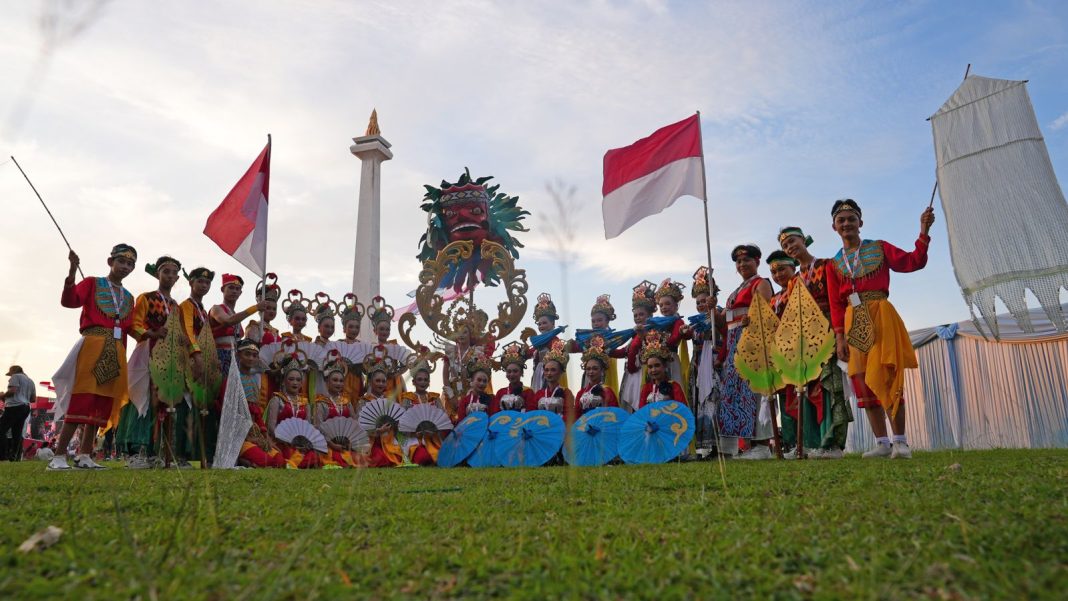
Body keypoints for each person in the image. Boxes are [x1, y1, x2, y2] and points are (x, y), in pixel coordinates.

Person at [826, 200, 934, 459]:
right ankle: (882, 443)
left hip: (881, 312)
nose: (846, 224)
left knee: (887, 374)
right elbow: (835, 304)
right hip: (853, 319)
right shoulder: (833, 264)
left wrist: (923, 231)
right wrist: (839, 337)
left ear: (860, 223)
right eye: (841, 220)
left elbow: (913, 262)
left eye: (851, 218)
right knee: (862, 381)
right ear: (834, 227)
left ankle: (901, 442)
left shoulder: (880, 247)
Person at [49, 245, 137, 470]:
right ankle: (59, 456)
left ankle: (85, 455)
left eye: (130, 264)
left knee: (101, 404)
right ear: (110, 262)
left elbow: (128, 328)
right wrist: (72, 270)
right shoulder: (91, 283)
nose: (125, 267)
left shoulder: (128, 297)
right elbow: (69, 301)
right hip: (93, 345)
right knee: (83, 399)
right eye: (121, 262)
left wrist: (149, 336)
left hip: (116, 350)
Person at [779, 226, 855, 459]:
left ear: (804, 240)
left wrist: (839, 333)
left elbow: (836, 300)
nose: (790, 247)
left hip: (828, 330)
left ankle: (831, 443)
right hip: (804, 338)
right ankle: (811, 444)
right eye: (785, 245)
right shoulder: (793, 281)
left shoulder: (826, 265)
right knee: (806, 389)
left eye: (792, 241)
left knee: (828, 386)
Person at [119, 255, 181, 469]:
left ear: (177, 278)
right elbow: (134, 324)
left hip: (169, 357)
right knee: (143, 398)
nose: (170, 276)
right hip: (148, 352)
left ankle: (158, 452)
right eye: (166, 271)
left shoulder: (175, 306)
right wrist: (150, 333)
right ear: (158, 274)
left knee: (163, 400)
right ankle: (137, 451)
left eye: (174, 273)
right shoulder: (146, 298)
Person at [718, 244, 775, 460]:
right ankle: (746, 445)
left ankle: (762, 444)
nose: (742, 264)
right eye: (739, 262)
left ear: (757, 262)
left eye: (747, 260)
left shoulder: (761, 284)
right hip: (733, 344)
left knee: (756, 390)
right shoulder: (734, 292)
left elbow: (764, 312)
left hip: (753, 343)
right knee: (737, 395)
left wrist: (750, 322)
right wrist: (714, 311)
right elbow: (723, 324)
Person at [179, 267, 222, 468]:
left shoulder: (202, 309)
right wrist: (196, 355)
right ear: (191, 283)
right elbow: (188, 331)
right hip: (190, 360)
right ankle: (179, 454)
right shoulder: (186, 306)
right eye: (200, 282)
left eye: (207, 284)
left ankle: (197, 454)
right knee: (183, 406)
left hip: (203, 362)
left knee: (200, 408)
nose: (204, 286)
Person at [234, 339, 285, 468]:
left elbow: (256, 413)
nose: (251, 358)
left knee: (279, 460)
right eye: (247, 354)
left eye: (254, 355)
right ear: (238, 355)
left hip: (255, 434)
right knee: (268, 461)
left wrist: (264, 436)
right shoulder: (232, 380)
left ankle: (249, 462)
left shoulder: (253, 381)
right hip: (240, 437)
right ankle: (243, 459)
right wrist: (247, 436)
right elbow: (229, 415)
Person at [689, 266, 722, 458]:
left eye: (704, 301)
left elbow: (723, 333)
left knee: (715, 400)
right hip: (699, 364)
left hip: (714, 362)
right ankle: (704, 446)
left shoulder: (718, 314)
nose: (701, 305)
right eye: (698, 302)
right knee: (700, 402)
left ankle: (719, 445)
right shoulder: (694, 322)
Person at [266, 351, 320, 468]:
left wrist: (304, 441)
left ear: (301, 383)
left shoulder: (305, 403)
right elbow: (271, 426)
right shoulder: (277, 399)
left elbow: (308, 427)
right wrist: (286, 439)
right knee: (278, 459)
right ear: (284, 381)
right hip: (280, 442)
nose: (295, 382)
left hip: (298, 445)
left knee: (315, 457)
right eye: (291, 379)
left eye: (298, 380)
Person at [210, 274, 266, 381]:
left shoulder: (236, 315)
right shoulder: (216, 309)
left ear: (241, 293)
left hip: (235, 359)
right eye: (231, 287)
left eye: (237, 289)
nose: (234, 291)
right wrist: (255, 308)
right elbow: (228, 321)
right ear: (222, 289)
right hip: (218, 357)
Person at [312, 350, 363, 468]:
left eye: (341, 381)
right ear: (327, 382)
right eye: (335, 380)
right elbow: (318, 427)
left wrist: (350, 439)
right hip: (328, 445)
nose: (338, 383)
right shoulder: (321, 403)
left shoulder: (346, 402)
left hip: (345, 444)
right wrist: (332, 444)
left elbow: (354, 422)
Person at [612, 281, 657, 411]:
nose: (638, 318)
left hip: (645, 372)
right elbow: (625, 352)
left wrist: (642, 337)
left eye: (641, 314)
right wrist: (607, 349)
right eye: (635, 315)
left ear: (650, 315)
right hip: (632, 376)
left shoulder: (654, 331)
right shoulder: (634, 334)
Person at [570, 295, 621, 395]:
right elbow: (578, 347)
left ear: (607, 321)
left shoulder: (611, 338)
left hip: (607, 372)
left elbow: (616, 353)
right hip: (590, 372)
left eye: (599, 320)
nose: (596, 323)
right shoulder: (587, 338)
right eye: (593, 321)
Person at [361, 351, 404, 467]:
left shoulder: (390, 401)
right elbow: (359, 427)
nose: (381, 384)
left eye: (383, 381)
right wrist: (377, 431)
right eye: (377, 381)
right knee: (380, 460)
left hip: (388, 440)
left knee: (394, 458)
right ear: (370, 382)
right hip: (371, 442)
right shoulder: (364, 401)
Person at [653, 278, 693, 403]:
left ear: (676, 305)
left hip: (671, 360)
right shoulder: (656, 323)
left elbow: (672, 340)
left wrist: (681, 332)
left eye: (667, 304)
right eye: (661, 305)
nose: (664, 307)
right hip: (657, 362)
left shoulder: (678, 322)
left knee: (673, 390)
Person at [368, 296, 409, 400]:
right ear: (375, 330)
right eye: (381, 329)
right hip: (376, 383)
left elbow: (406, 362)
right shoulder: (370, 348)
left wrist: (396, 373)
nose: (384, 332)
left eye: (387, 329)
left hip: (393, 383)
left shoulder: (394, 346)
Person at [529, 293, 568, 390]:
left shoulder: (555, 341)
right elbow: (531, 352)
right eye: (539, 324)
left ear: (553, 324)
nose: (541, 326)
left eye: (544, 323)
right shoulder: (538, 341)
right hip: (538, 372)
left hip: (551, 372)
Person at [532, 340, 577, 422]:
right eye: (546, 370)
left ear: (560, 372)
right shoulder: (539, 394)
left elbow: (569, 416)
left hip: (560, 431)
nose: (549, 373)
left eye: (553, 370)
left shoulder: (566, 393)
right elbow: (532, 415)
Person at [638, 331, 687, 408]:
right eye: (650, 367)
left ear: (665, 366)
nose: (653, 370)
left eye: (657, 365)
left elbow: (683, 411)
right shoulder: (646, 388)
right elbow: (641, 413)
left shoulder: (674, 386)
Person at [575, 336, 620, 413]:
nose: (591, 372)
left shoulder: (607, 391)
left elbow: (614, 414)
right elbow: (576, 416)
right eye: (588, 369)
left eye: (595, 368)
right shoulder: (580, 393)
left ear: (602, 370)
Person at [336, 293, 367, 401]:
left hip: (357, 381)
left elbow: (366, 369)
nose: (354, 330)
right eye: (351, 327)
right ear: (344, 328)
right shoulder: (338, 344)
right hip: (341, 381)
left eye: (357, 327)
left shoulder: (362, 346)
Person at [2, 366, 36, 461]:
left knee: (1, 430)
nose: (10, 378)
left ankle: (2, 455)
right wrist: (23, 396)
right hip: (25, 408)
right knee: (17, 433)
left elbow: (12, 391)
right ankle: (13, 455)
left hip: (14, 407)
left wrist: (2, 395)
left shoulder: (16, 376)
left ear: (14, 371)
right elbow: (33, 399)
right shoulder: (31, 381)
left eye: (10, 374)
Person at [492, 342, 535, 414]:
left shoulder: (528, 392)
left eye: (515, 371)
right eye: (509, 371)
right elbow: (495, 414)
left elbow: (531, 414)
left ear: (521, 373)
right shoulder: (501, 392)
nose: (512, 374)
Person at [455, 352, 494, 421]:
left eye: (484, 381)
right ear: (472, 381)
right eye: (479, 380)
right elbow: (461, 422)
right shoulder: (464, 401)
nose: (482, 383)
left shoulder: (491, 400)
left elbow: (493, 420)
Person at [246, 274, 282, 345]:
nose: (272, 311)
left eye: (274, 309)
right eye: (268, 308)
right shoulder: (254, 326)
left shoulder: (275, 331)